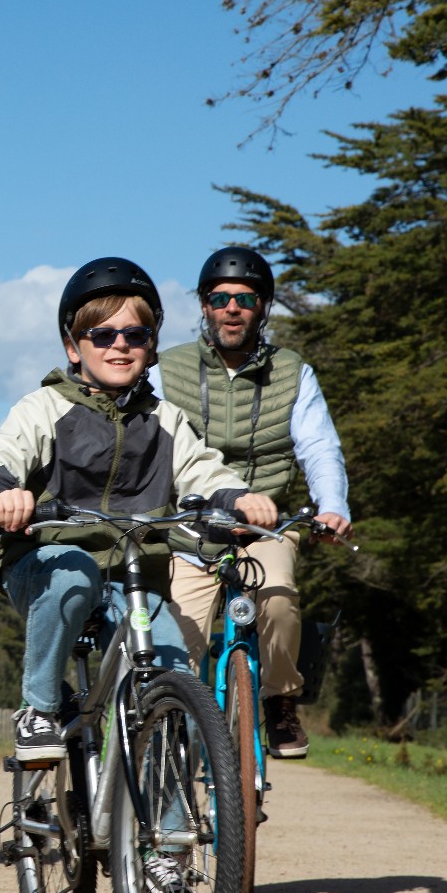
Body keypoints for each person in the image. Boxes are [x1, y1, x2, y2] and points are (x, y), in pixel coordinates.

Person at [0, 257, 277, 773]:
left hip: (134, 579)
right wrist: (2, 492)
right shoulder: (44, 407)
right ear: (74, 346)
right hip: (47, 566)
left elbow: (203, 470)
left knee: (176, 677)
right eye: (102, 334)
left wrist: (236, 497)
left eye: (135, 334)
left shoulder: (164, 420)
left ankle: (171, 843)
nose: (119, 345)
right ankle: (40, 710)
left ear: (151, 345)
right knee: (73, 568)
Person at [155, 246, 352, 760]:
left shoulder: (293, 372)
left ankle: (281, 704)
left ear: (262, 307)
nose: (231, 308)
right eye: (219, 298)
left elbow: (318, 447)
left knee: (281, 600)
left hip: (268, 528)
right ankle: (174, 722)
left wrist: (331, 506)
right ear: (203, 306)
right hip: (191, 529)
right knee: (178, 635)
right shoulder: (163, 369)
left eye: (245, 298)